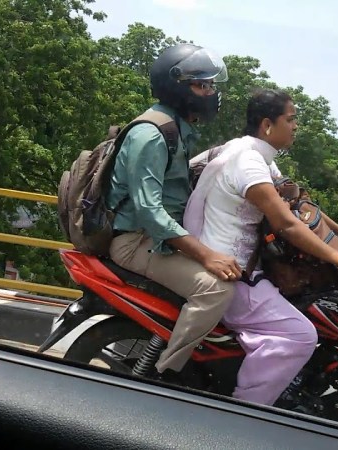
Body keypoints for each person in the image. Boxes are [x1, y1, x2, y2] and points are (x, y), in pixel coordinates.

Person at [184, 88, 338, 406]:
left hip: (239, 266)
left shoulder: (253, 155)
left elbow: (294, 202)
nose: (296, 126)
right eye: (291, 119)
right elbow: (286, 223)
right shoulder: (249, 163)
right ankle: (245, 411)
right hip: (230, 273)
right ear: (267, 125)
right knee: (301, 334)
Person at [106, 43, 241, 379]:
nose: (211, 93)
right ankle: (168, 374)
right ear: (176, 86)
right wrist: (206, 256)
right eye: (202, 85)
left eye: (211, 85)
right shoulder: (151, 134)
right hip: (136, 242)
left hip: (156, 239)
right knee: (216, 289)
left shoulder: (175, 128)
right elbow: (149, 210)